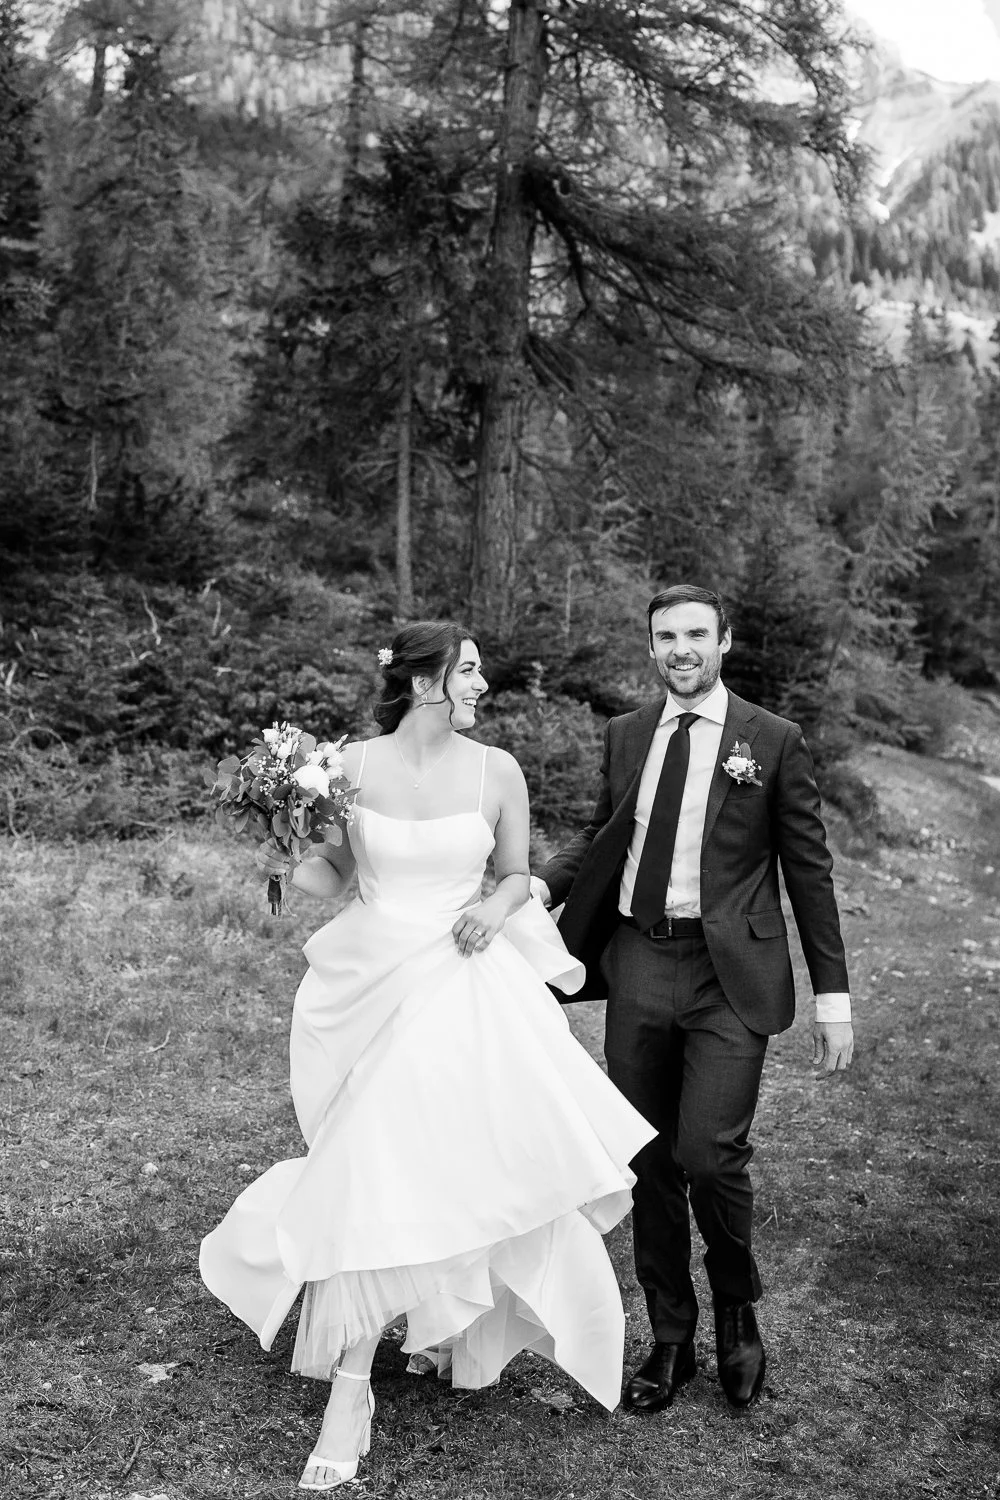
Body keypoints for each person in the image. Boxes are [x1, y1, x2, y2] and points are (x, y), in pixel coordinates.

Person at [199, 620, 655, 1491]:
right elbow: (334, 878)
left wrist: (495, 907)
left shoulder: (498, 772)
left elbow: (520, 874)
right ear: (422, 681)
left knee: (420, 1161)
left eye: (481, 671)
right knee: (380, 1164)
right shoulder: (349, 768)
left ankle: (353, 1383)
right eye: (471, 671)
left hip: (460, 979)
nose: (484, 685)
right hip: (370, 979)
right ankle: (379, 1357)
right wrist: (286, 849)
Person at [532, 584, 853, 1414]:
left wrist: (834, 998)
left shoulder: (771, 742)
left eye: (696, 634)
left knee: (710, 1154)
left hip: (729, 978)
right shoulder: (626, 733)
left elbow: (809, 874)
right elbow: (605, 833)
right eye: (666, 635)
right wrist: (538, 884)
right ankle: (670, 1337)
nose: (681, 648)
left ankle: (737, 1312)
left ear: (725, 642)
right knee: (647, 1159)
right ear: (651, 646)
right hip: (639, 959)